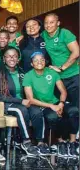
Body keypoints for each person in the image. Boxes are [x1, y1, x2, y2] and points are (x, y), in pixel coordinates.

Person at [24, 52, 78, 157]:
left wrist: (61, 104)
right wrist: (51, 106)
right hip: (42, 104)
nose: (39, 62)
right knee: (53, 116)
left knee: (74, 111)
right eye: (36, 60)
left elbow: (63, 91)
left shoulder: (52, 73)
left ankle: (72, 142)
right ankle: (60, 142)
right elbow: (30, 99)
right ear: (31, 64)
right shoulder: (28, 76)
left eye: (42, 60)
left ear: (45, 61)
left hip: (56, 102)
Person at [0, 47, 38, 156]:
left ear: (18, 59)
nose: (12, 58)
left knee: (36, 111)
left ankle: (39, 141)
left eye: (14, 56)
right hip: (5, 104)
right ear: (4, 59)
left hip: (24, 102)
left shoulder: (23, 73)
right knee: (20, 110)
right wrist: (20, 101)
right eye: (8, 56)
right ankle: (26, 141)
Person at [42, 14, 79, 147]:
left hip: (74, 75)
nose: (48, 25)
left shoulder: (65, 33)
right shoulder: (44, 35)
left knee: (76, 108)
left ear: (58, 23)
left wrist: (62, 67)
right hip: (58, 79)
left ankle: (75, 139)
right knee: (61, 107)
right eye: (46, 23)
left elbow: (76, 52)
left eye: (52, 22)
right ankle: (63, 139)